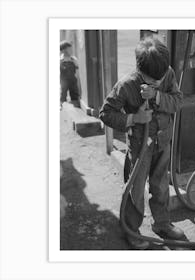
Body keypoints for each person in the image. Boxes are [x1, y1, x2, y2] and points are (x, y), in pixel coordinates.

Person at [99, 37, 185, 249]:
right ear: (139, 69)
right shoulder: (127, 84)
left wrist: (156, 95)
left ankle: (162, 224)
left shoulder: (168, 73)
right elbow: (106, 113)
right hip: (139, 147)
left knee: (161, 185)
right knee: (135, 190)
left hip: (162, 141)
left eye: (161, 78)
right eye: (151, 79)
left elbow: (177, 101)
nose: (157, 81)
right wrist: (134, 119)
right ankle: (131, 229)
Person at [60, 40, 80, 108]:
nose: (70, 51)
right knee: (63, 94)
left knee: (74, 93)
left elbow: (77, 68)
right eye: (68, 49)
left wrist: (76, 77)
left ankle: (76, 107)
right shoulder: (60, 60)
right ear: (63, 50)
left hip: (72, 79)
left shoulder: (73, 59)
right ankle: (63, 106)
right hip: (63, 80)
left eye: (70, 49)